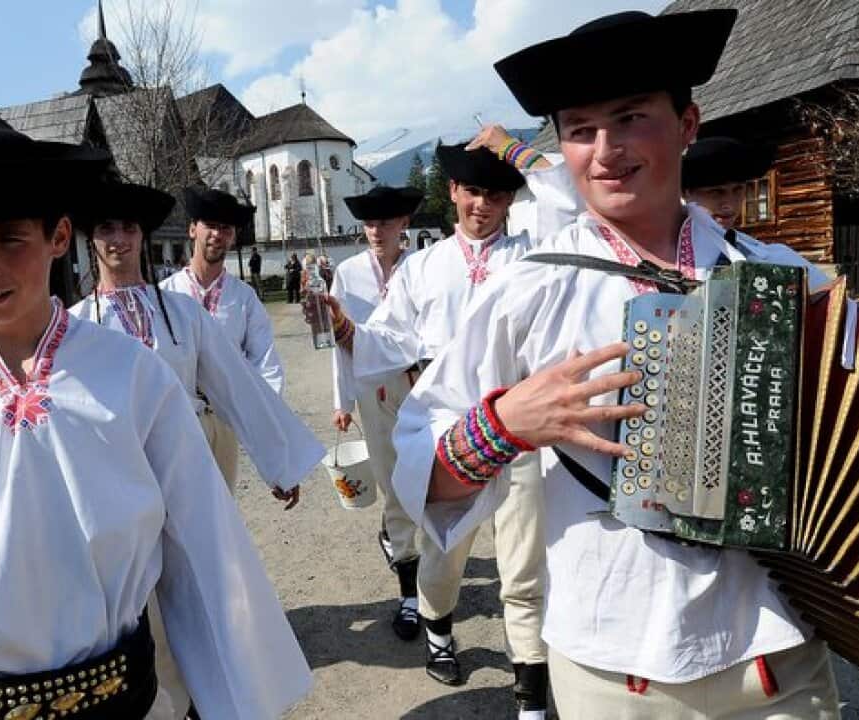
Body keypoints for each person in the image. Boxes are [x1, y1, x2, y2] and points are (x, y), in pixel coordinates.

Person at [389, 10, 859, 719]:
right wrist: (505, 425)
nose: (605, 149)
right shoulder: (529, 291)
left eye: (630, 117)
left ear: (687, 126)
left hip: (781, 661)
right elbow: (424, 468)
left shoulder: (791, 281)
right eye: (579, 130)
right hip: (614, 666)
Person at [0, 128, 312, 720]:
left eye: (9, 237)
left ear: (56, 237)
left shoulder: (131, 376)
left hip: (121, 696)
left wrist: (234, 696)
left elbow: (201, 541)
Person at [309, 148, 553, 718]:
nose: (482, 205)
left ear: (511, 200)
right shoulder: (424, 267)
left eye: (495, 195)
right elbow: (389, 337)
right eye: (472, 191)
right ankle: (439, 627)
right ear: (453, 192)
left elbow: (570, 194)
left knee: (523, 561)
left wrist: (522, 149)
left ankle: (530, 690)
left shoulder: (534, 257)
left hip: (518, 426)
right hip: (452, 429)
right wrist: (344, 326)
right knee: (445, 547)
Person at [68, 180, 326, 716]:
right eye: (106, 228)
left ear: (143, 235)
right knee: (139, 605)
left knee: (206, 586)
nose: (118, 239)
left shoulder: (184, 314)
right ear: (90, 240)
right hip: (117, 483)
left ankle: (212, 695)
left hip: (186, 473)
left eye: (129, 227)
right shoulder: (72, 326)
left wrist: (279, 462)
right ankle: (165, 702)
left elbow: (236, 384)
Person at [322, 186, 426, 646]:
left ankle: (401, 541)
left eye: (384, 222)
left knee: (427, 480)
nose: (375, 231)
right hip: (374, 388)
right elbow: (339, 342)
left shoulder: (422, 269)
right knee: (392, 483)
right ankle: (410, 593)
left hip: (423, 388)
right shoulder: (346, 274)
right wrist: (342, 402)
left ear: (403, 224)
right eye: (368, 223)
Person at [163, 187, 283, 490]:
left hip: (223, 417)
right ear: (193, 229)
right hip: (176, 418)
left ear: (233, 236)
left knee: (222, 506)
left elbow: (265, 362)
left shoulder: (243, 298)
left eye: (225, 228)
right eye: (210, 225)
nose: (217, 234)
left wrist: (271, 437)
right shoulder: (165, 295)